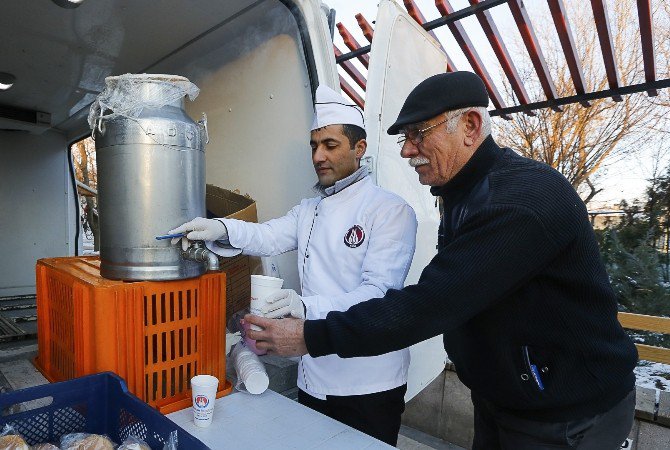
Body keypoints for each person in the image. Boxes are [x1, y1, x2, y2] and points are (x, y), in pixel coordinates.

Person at [246, 72, 639, 450]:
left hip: (567, 416)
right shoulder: (461, 194)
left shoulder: (519, 201)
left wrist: (307, 335)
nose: (406, 150)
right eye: (404, 138)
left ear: (469, 125)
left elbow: (429, 305)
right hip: (508, 398)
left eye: (418, 134)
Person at [169, 85, 418, 446]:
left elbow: (379, 294)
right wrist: (221, 227)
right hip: (314, 372)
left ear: (359, 149)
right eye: (314, 146)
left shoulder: (390, 210)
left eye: (330, 145)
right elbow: (267, 236)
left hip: (369, 380)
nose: (318, 156)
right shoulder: (310, 209)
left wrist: (305, 307)